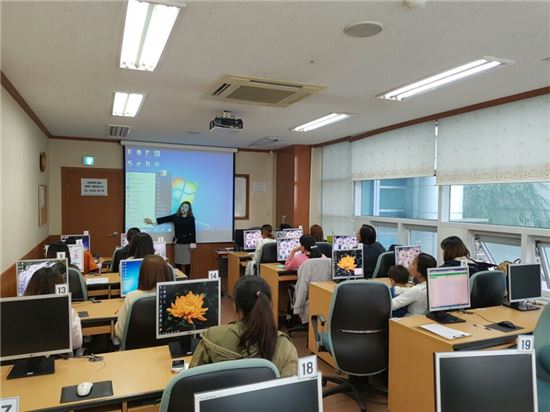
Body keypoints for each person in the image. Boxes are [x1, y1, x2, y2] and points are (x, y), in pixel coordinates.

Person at [190, 276, 298, 377]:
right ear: (269, 305)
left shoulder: (212, 337)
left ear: (235, 306)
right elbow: (291, 388)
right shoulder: (285, 345)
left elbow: (191, 380)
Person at [114, 255, 173, 340]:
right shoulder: (172, 297)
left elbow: (119, 333)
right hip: (165, 349)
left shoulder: (132, 298)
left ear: (142, 274)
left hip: (135, 351)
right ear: (166, 273)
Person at [24, 267, 83, 349]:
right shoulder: (66, 312)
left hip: (30, 361)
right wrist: (76, 317)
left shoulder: (22, 313)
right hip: (61, 360)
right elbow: (77, 343)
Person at [144, 201, 196, 275]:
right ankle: (179, 277)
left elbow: (193, 231)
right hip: (178, 243)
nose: (183, 208)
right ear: (180, 207)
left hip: (187, 244)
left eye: (186, 207)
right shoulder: (176, 216)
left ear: (189, 209)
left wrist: (192, 243)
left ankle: (187, 278)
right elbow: (164, 219)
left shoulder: (191, 218)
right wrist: (152, 221)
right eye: (182, 206)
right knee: (178, 262)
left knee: (187, 262)